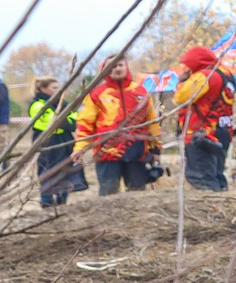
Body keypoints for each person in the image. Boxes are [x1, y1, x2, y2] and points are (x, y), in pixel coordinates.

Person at [75, 54, 158, 194]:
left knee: (138, 194)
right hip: (106, 153)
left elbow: (152, 121)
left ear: (126, 67)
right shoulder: (97, 94)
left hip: (137, 152)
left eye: (120, 65)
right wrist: (80, 148)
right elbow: (85, 123)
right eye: (112, 66)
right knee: (108, 193)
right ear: (105, 70)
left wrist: (155, 148)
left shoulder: (140, 91)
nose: (117, 69)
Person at [169, 45, 236, 191]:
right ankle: (222, 204)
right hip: (223, 132)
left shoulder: (205, 75)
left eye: (187, 64)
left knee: (201, 178)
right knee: (216, 174)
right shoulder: (226, 74)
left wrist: (183, 81)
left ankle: (212, 209)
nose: (185, 68)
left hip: (203, 134)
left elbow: (180, 97)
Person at [26, 77, 80, 206]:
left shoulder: (64, 104)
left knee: (66, 168)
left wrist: (65, 121)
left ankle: (62, 199)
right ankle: (47, 199)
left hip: (65, 139)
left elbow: (73, 122)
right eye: (54, 88)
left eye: (58, 87)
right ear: (43, 89)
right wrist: (64, 120)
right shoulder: (37, 105)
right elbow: (54, 122)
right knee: (47, 169)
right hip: (46, 142)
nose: (58, 90)